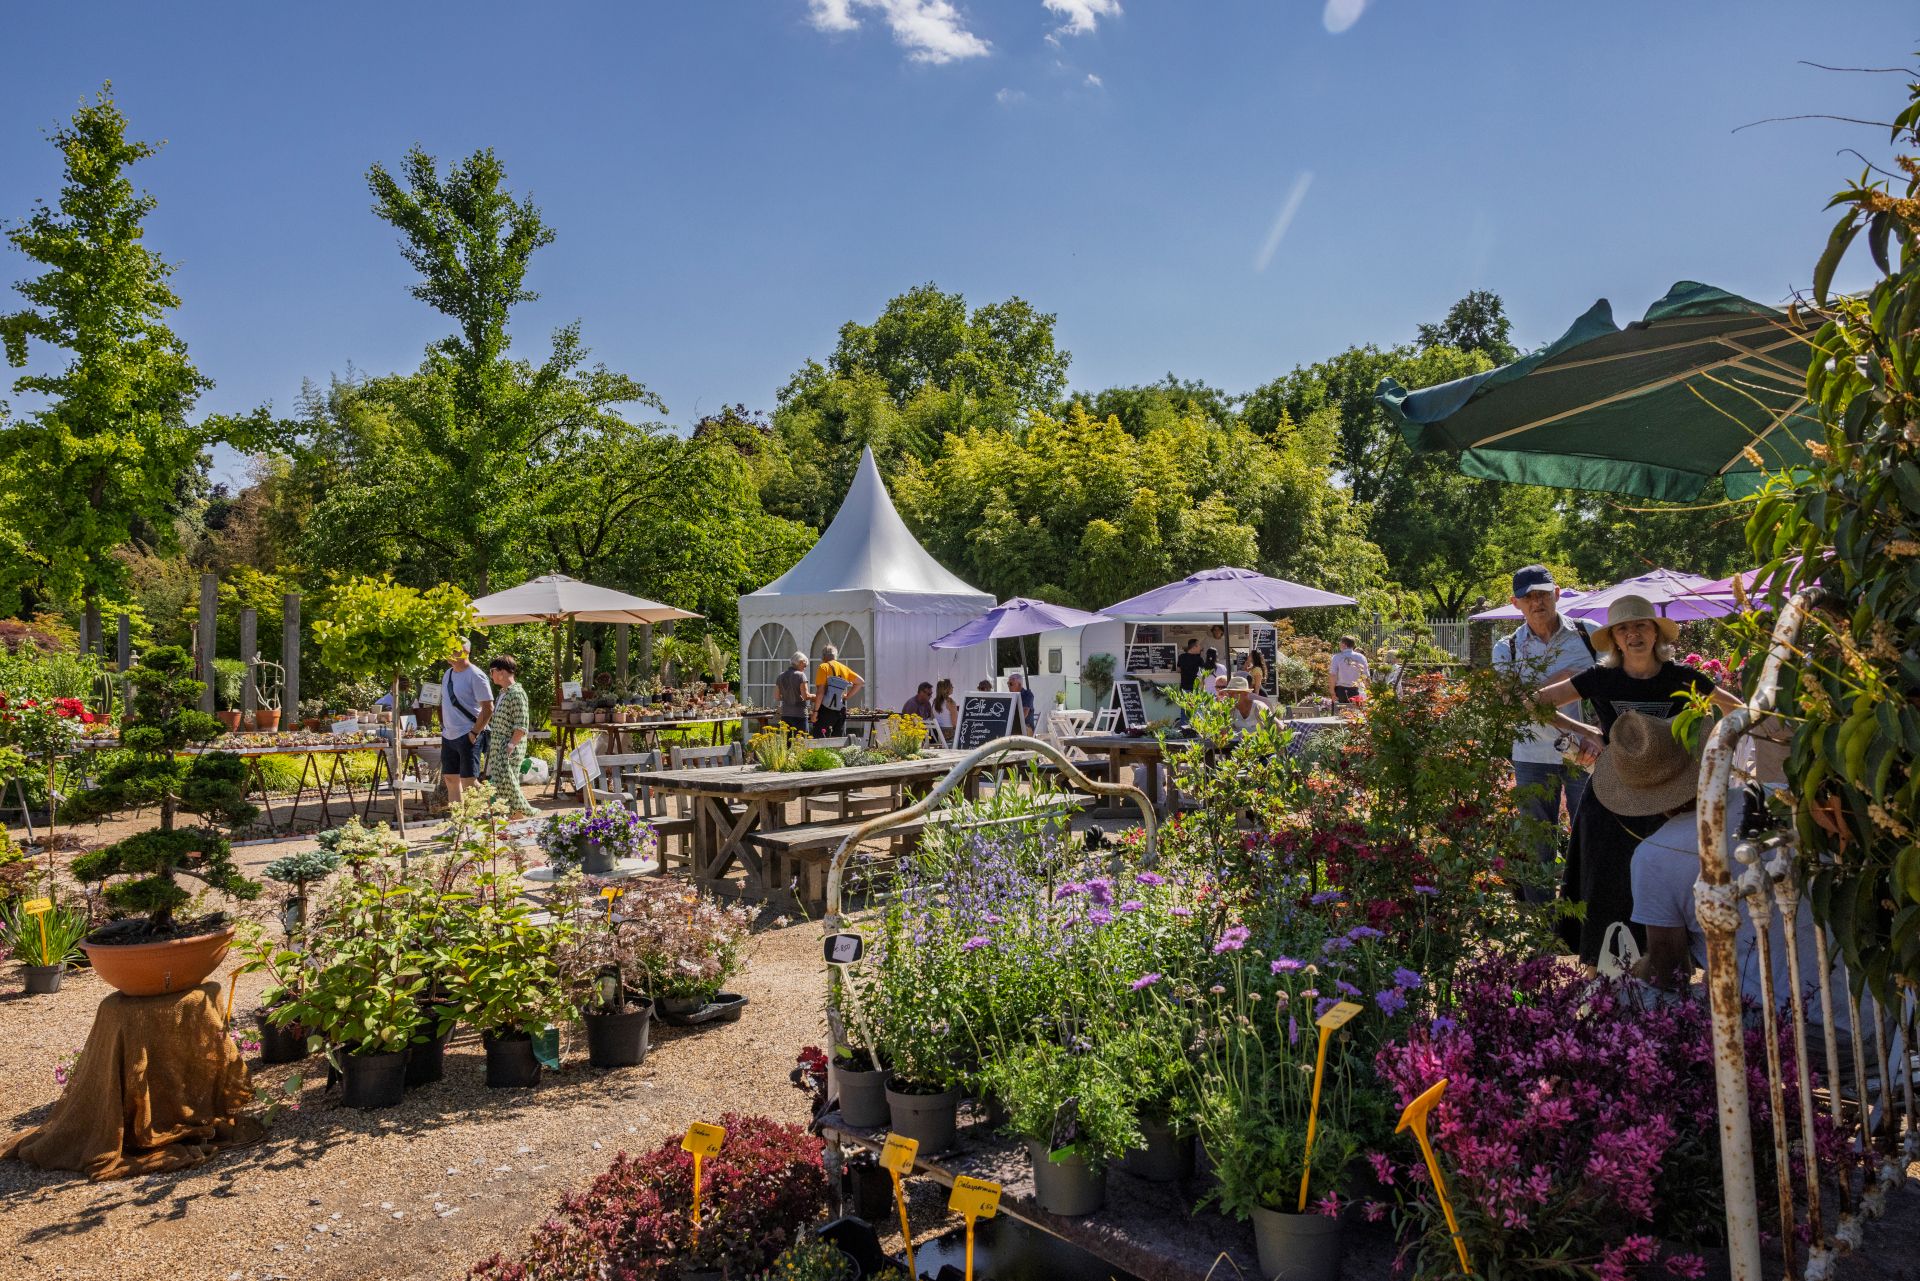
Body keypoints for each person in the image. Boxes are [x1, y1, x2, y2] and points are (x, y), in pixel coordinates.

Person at [1532, 596, 1741, 966]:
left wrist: (1709, 748)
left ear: (1656, 633)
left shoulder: (1683, 678)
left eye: (1641, 626)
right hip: (1610, 796)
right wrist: (1585, 731)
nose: (1633, 634)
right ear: (1614, 639)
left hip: (1668, 797)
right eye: (1624, 629)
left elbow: (1737, 710)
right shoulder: (1600, 678)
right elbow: (1537, 702)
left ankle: (1664, 968)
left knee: (1661, 880)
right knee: (1604, 878)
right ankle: (1598, 969)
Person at [1492, 564, 1598, 902]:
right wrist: (1571, 679)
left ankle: (1585, 916)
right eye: (1528, 597)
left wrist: (1531, 691)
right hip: (1532, 754)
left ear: (1557, 593)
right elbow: (1515, 703)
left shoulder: (1589, 634)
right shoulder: (1505, 648)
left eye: (1542, 594)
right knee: (1537, 841)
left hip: (1588, 752)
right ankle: (1541, 922)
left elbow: (1605, 685)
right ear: (1516, 603)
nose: (1537, 602)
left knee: (1590, 835)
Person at [439, 640, 494, 804]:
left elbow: (488, 708)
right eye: (449, 649)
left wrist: (474, 733)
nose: (450, 653)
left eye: (455, 650)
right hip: (449, 735)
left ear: (466, 652)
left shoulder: (476, 675)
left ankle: (497, 810)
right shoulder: (447, 674)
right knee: (450, 779)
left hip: (468, 733)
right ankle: (458, 824)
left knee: (469, 782)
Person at [484, 654, 537, 818]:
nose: (491, 675)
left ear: (501, 672)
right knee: (502, 786)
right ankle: (514, 820)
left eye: (492, 671)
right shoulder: (503, 693)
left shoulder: (517, 693)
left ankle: (524, 814)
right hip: (498, 747)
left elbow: (521, 725)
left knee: (509, 785)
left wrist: (510, 747)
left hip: (508, 748)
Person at [812, 644, 862, 738]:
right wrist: (847, 696)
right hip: (840, 708)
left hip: (825, 709)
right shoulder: (843, 668)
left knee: (820, 739)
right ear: (835, 656)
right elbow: (860, 682)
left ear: (823, 657)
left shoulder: (823, 667)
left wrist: (815, 711)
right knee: (838, 740)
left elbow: (820, 692)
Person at [774, 651, 810, 735]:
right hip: (799, 714)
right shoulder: (801, 675)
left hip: (785, 714)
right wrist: (815, 696)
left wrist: (788, 696)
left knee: (787, 744)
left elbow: (777, 697)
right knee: (801, 742)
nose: (804, 669)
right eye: (804, 666)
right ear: (800, 662)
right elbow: (805, 696)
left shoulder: (780, 676)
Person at [1328, 636, 1370, 704]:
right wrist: (1369, 691)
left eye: (1340, 643)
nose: (1339, 644)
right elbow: (1366, 675)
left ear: (1344, 644)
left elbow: (1333, 675)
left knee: (1338, 712)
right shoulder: (1361, 657)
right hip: (1356, 690)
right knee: (1355, 713)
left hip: (1340, 690)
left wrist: (1332, 693)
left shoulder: (1337, 657)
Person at [932, 678, 959, 744]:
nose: (953, 687)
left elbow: (932, 717)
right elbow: (955, 724)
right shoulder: (950, 702)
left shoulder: (935, 702)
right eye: (951, 686)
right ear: (947, 689)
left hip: (937, 735)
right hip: (949, 736)